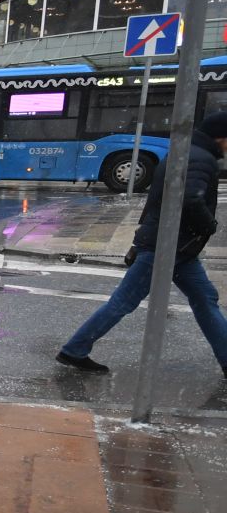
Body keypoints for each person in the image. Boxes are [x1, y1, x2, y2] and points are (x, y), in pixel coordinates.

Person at [58, 110, 227, 377]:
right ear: (221, 137)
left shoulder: (187, 153)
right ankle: (75, 349)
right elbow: (191, 200)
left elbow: (158, 200)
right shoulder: (199, 158)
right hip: (166, 246)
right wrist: (209, 226)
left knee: (205, 299)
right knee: (123, 302)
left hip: (177, 247)